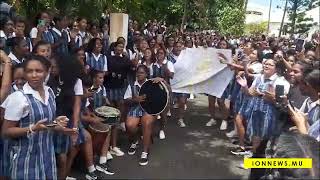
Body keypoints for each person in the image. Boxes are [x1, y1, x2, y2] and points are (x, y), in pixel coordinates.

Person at [1, 55, 75, 179]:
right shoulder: (19, 98)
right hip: (25, 157)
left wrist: (56, 124)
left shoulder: (49, 92)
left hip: (46, 154)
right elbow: (5, 132)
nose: (34, 75)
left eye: (38, 71)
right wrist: (31, 129)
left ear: (47, 72)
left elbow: (45, 125)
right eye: (29, 71)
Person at [124, 64, 164, 166]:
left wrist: (162, 80)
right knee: (130, 126)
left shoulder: (152, 83)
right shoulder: (132, 85)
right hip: (136, 107)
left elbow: (164, 92)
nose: (139, 74)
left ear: (146, 74)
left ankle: (145, 152)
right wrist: (135, 99)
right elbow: (126, 100)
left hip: (150, 109)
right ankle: (136, 139)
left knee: (146, 123)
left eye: (141, 72)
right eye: (138, 72)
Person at [104, 41, 134, 156]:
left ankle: (113, 146)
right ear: (114, 47)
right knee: (109, 117)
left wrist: (134, 65)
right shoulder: (108, 58)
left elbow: (130, 73)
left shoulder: (126, 60)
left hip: (120, 90)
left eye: (122, 47)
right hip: (108, 89)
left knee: (117, 117)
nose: (120, 48)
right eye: (119, 46)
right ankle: (106, 148)